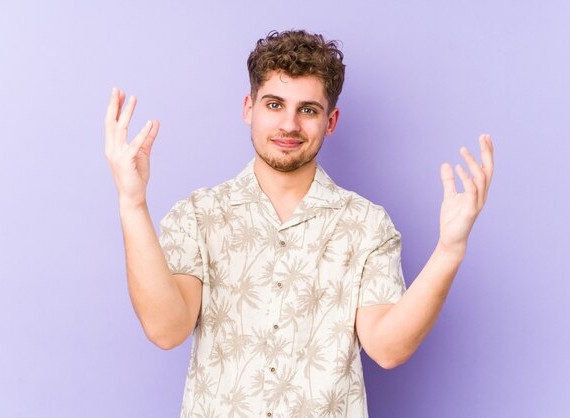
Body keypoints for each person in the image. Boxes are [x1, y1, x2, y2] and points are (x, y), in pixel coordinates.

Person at [104, 30, 494, 418]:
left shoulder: (367, 225)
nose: (289, 125)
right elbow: (165, 329)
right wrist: (133, 203)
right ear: (248, 108)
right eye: (274, 104)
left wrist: (449, 250)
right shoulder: (198, 214)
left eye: (307, 109)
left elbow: (388, 348)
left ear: (331, 120)